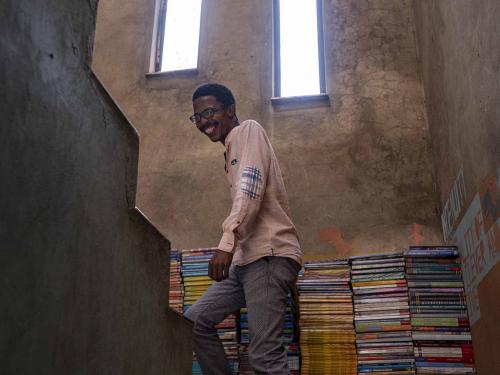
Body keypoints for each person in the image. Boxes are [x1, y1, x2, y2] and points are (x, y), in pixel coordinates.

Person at [184, 83, 302, 375]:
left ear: (230, 110)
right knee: (195, 321)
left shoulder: (248, 131)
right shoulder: (230, 151)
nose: (204, 122)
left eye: (209, 112)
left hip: (268, 256)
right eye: (197, 117)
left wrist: (227, 243)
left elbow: (250, 189)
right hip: (247, 261)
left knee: (265, 357)